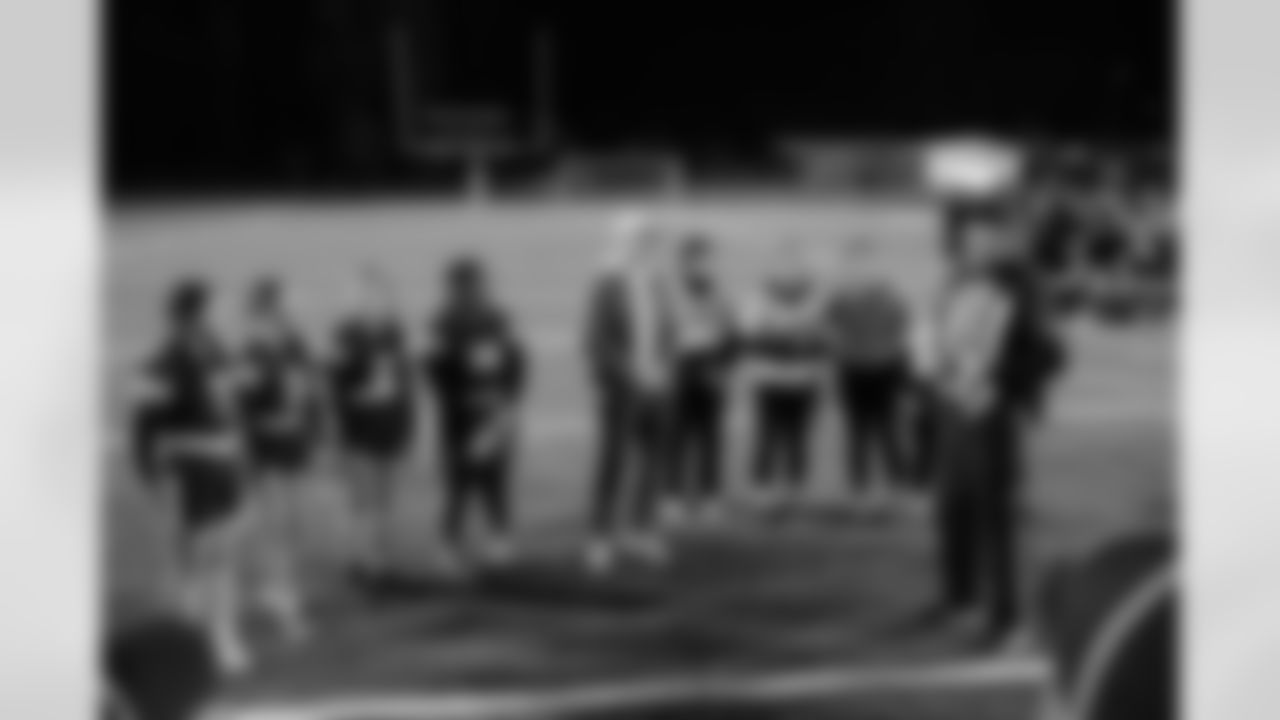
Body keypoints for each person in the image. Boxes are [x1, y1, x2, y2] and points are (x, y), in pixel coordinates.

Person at [130, 278, 295, 675]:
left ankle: (220, 636)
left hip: (226, 467)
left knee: (223, 554)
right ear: (196, 314)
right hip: (194, 472)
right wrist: (154, 475)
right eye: (217, 307)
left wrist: (267, 363)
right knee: (198, 559)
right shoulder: (163, 363)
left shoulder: (216, 350)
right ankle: (194, 642)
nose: (225, 313)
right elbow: (145, 427)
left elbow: (241, 398)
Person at [929, 195, 1061, 647]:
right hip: (950, 409)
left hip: (991, 414)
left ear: (1002, 239)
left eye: (989, 236)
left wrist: (998, 381)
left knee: (995, 517)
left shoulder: (1020, 285)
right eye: (972, 237)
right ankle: (958, 600)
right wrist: (935, 370)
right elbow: (937, 338)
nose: (980, 244)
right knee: (952, 508)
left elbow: (1049, 354)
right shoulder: (952, 278)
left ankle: (1006, 617)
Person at [583, 212, 674, 574]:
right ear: (623, 241)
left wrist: (664, 369)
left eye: (649, 239)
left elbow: (667, 331)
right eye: (639, 238)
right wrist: (630, 373)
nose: (646, 245)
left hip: (656, 387)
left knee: (652, 460)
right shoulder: (607, 282)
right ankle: (601, 537)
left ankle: (641, 529)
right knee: (613, 463)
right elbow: (596, 342)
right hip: (622, 390)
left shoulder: (656, 280)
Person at [424, 256, 528, 573]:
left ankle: (490, 540)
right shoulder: (445, 322)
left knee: (487, 479)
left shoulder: (494, 318)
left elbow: (516, 361)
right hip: (466, 415)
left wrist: (504, 400)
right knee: (464, 482)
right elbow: (436, 371)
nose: (475, 290)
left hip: (484, 411)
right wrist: (494, 398)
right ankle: (455, 543)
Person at [233, 276, 319, 640]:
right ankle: (280, 597)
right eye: (288, 303)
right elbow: (239, 407)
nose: (295, 308)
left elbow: (311, 393)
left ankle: (279, 589)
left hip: (294, 445)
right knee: (275, 523)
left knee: (293, 523)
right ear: (268, 310)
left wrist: (312, 433)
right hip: (266, 448)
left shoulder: (296, 344)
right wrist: (269, 420)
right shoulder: (251, 352)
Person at [327, 267, 417, 582]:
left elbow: (405, 384)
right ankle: (359, 558)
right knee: (362, 498)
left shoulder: (394, 331)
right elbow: (336, 386)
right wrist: (360, 400)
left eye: (378, 294)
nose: (373, 300)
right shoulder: (346, 334)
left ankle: (382, 558)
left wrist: (407, 426)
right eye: (366, 294)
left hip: (390, 426)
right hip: (360, 428)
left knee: (386, 497)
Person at [741, 239, 829, 510]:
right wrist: (793, 332)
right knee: (767, 435)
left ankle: (795, 490)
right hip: (769, 377)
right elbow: (752, 334)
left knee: (798, 437)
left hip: (804, 377)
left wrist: (791, 333)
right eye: (784, 260)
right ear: (775, 265)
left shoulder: (814, 295)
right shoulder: (760, 294)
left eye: (795, 261)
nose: (789, 266)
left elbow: (821, 337)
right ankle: (762, 490)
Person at [826, 239, 913, 509]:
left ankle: (896, 488)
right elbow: (830, 326)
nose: (861, 268)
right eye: (855, 262)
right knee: (858, 431)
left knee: (888, 429)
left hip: (883, 368)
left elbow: (900, 328)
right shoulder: (842, 296)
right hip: (854, 368)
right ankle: (859, 490)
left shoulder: (888, 295)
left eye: (865, 261)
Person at [665, 231, 737, 526]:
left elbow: (733, 336)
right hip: (679, 370)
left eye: (706, 259)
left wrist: (723, 366)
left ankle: (710, 497)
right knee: (676, 437)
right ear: (684, 262)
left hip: (711, 367)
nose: (702, 264)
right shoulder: (669, 292)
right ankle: (672, 496)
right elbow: (659, 334)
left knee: (711, 438)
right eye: (696, 259)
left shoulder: (720, 292)